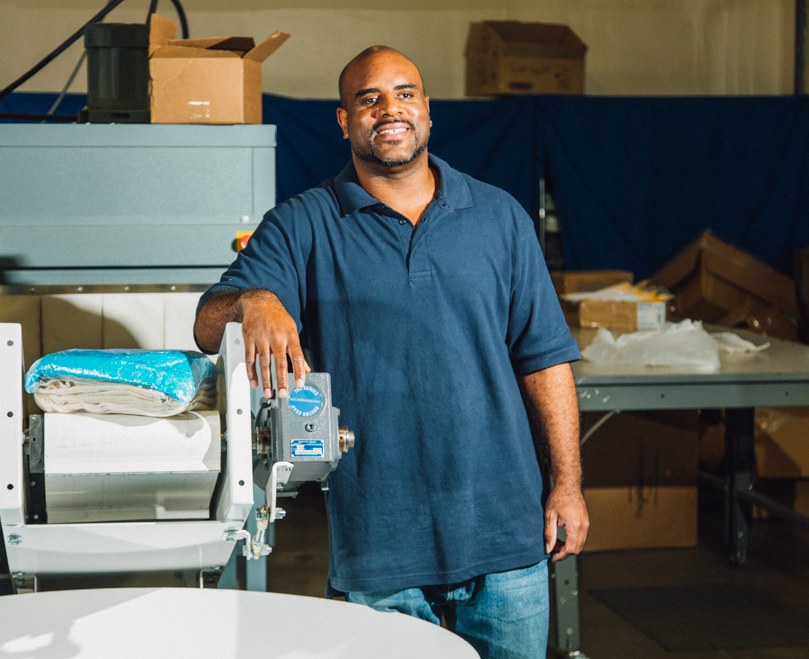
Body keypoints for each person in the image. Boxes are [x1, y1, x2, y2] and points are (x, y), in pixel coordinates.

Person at [194, 46, 588, 659]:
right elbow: (205, 323)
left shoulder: (500, 217)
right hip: (381, 551)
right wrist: (253, 300)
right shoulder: (305, 224)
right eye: (369, 98)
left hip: (508, 540)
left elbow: (544, 359)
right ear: (344, 120)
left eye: (405, 93)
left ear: (427, 110)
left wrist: (568, 483)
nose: (390, 109)